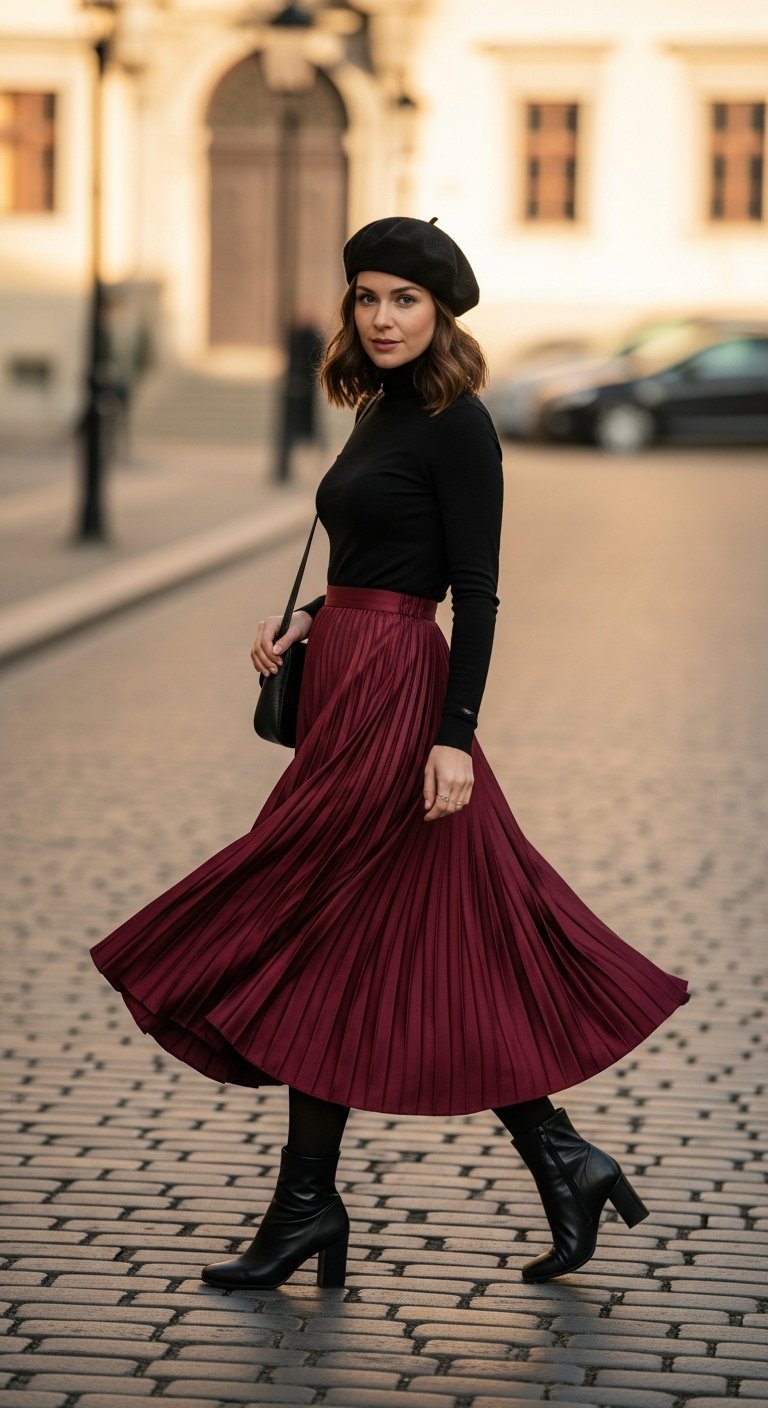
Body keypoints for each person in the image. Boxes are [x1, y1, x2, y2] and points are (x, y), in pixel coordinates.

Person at [90, 216, 689, 1292]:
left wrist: (454, 736)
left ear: (440, 311)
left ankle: (313, 1208)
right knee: (394, 927)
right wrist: (310, 619)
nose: (382, 317)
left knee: (309, 910)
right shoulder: (376, 408)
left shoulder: (460, 424)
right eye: (367, 297)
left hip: (399, 701)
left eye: (403, 300)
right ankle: (548, 1161)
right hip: (343, 682)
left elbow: (476, 589)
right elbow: (376, 552)